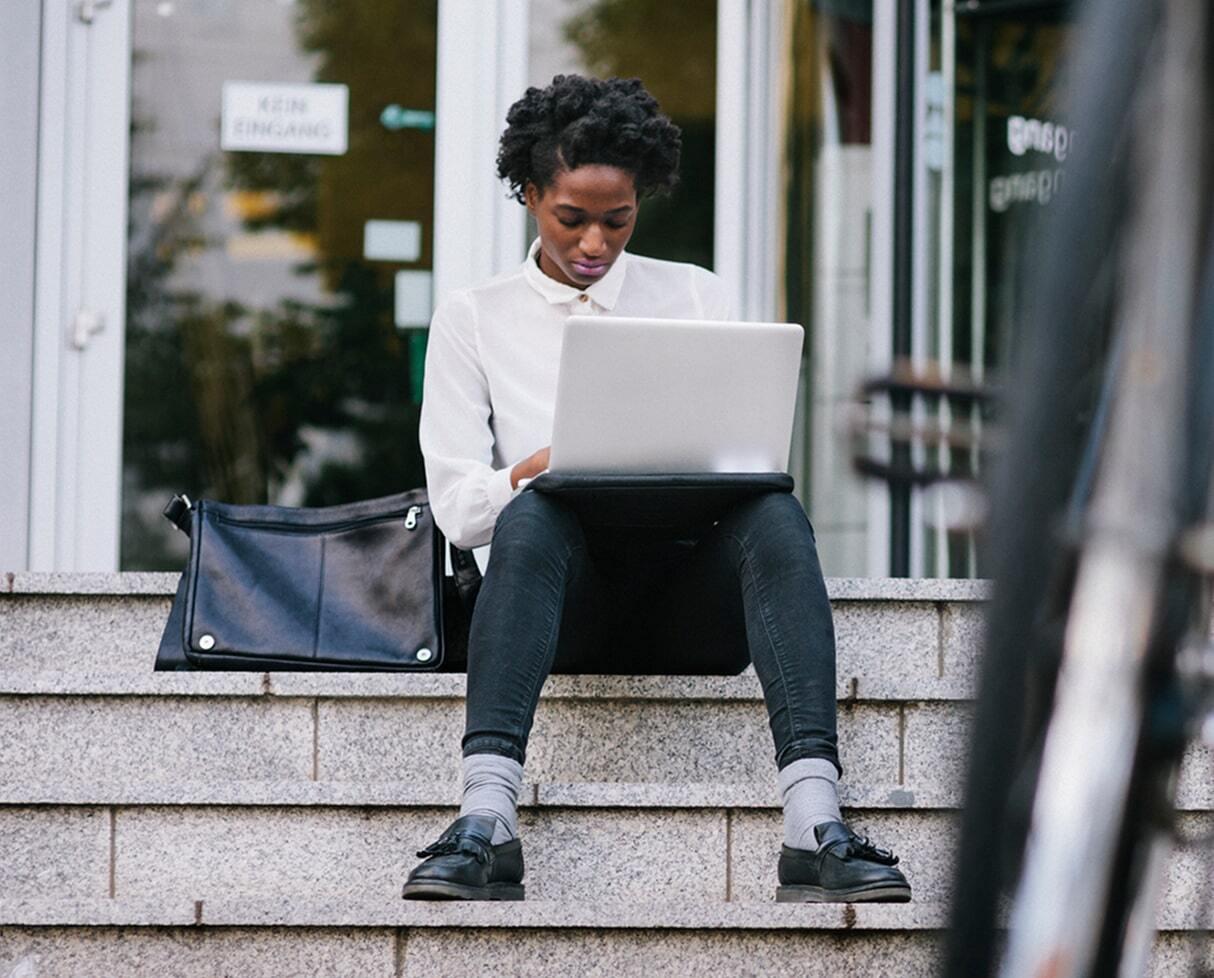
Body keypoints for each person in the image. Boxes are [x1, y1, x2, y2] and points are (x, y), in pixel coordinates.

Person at [403, 74, 910, 904]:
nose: (596, 242)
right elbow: (459, 512)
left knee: (775, 512)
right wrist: (542, 465)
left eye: (618, 218)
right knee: (533, 514)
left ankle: (814, 827)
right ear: (529, 196)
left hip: (689, 605)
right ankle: (486, 822)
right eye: (572, 217)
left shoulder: (695, 295)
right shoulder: (475, 315)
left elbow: (746, 455)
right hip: (558, 609)